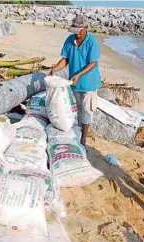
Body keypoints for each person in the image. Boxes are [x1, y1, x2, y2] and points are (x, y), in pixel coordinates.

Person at [50, 15, 102, 145]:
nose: (77, 35)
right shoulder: (70, 40)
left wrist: (79, 75)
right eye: (75, 31)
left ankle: (83, 138)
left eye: (79, 31)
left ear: (86, 28)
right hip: (74, 83)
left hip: (89, 83)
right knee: (75, 109)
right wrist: (55, 69)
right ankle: (76, 133)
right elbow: (65, 59)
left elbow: (93, 63)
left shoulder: (92, 41)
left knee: (86, 111)